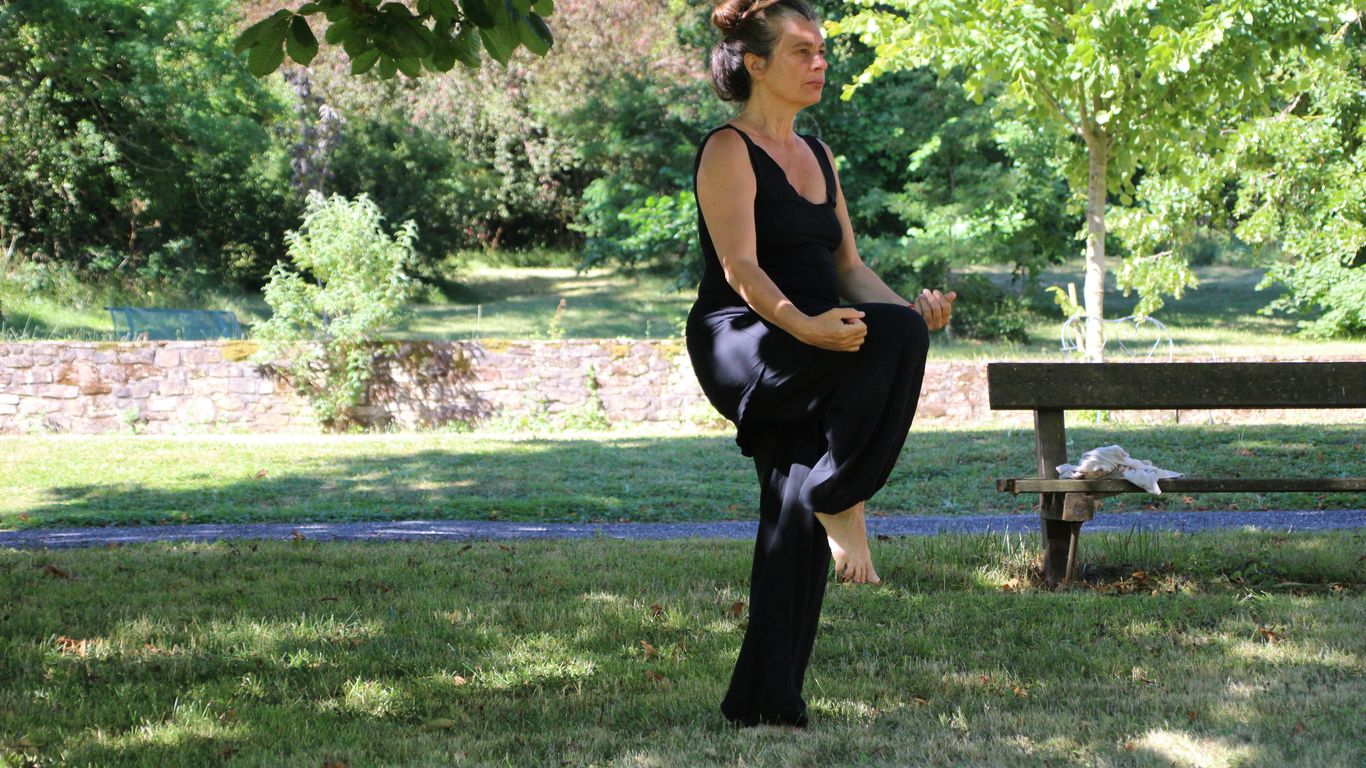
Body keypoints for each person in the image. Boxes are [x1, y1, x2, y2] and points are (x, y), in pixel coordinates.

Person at [685, 0, 957, 729]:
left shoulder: (820, 155)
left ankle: (765, 702)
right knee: (822, 480)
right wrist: (805, 323)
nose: (819, 64)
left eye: (823, 51)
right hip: (745, 336)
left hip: (817, 335)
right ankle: (847, 492)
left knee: (792, 509)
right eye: (802, 51)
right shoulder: (727, 150)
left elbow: (850, 268)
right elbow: (739, 266)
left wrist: (910, 311)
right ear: (756, 63)